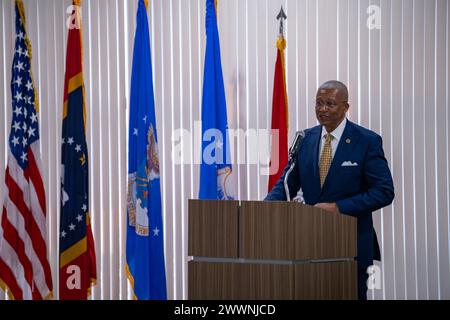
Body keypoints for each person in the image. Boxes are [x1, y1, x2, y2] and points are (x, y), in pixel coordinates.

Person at [265, 80, 394, 300]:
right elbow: (287, 182)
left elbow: (384, 191)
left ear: (345, 107)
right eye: (318, 103)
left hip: (351, 245)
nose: (322, 109)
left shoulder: (366, 141)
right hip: (309, 245)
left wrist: (339, 208)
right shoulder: (305, 138)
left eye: (330, 104)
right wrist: (265, 208)